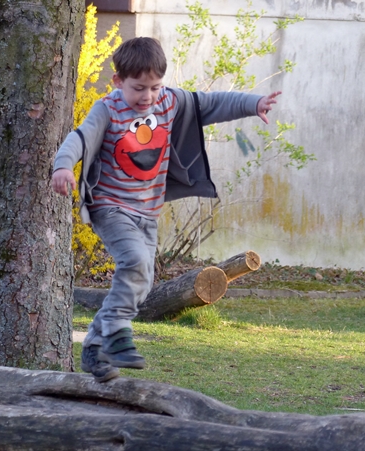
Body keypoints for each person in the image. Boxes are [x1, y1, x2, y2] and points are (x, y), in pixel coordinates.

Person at [52, 37, 280, 382]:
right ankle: (116, 335)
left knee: (143, 282)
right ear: (118, 81)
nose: (148, 96)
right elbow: (80, 138)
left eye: (155, 87)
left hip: (147, 212)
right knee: (136, 262)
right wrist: (63, 166)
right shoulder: (108, 109)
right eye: (138, 88)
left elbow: (210, 104)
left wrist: (254, 103)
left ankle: (95, 347)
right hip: (111, 207)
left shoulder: (169, 102)